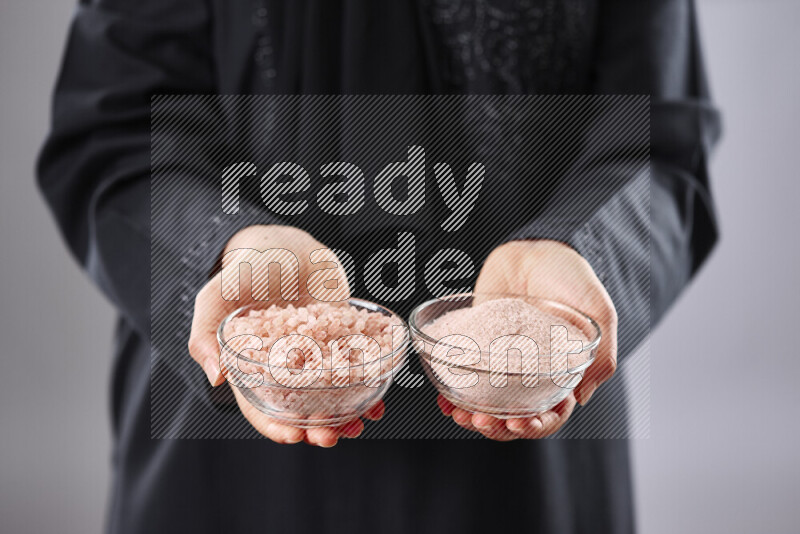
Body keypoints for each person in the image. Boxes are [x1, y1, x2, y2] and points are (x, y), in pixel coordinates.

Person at [37, 1, 720, 533]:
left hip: (520, 451)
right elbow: (116, 131)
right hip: (228, 452)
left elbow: (657, 138)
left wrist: (581, 249)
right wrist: (224, 251)